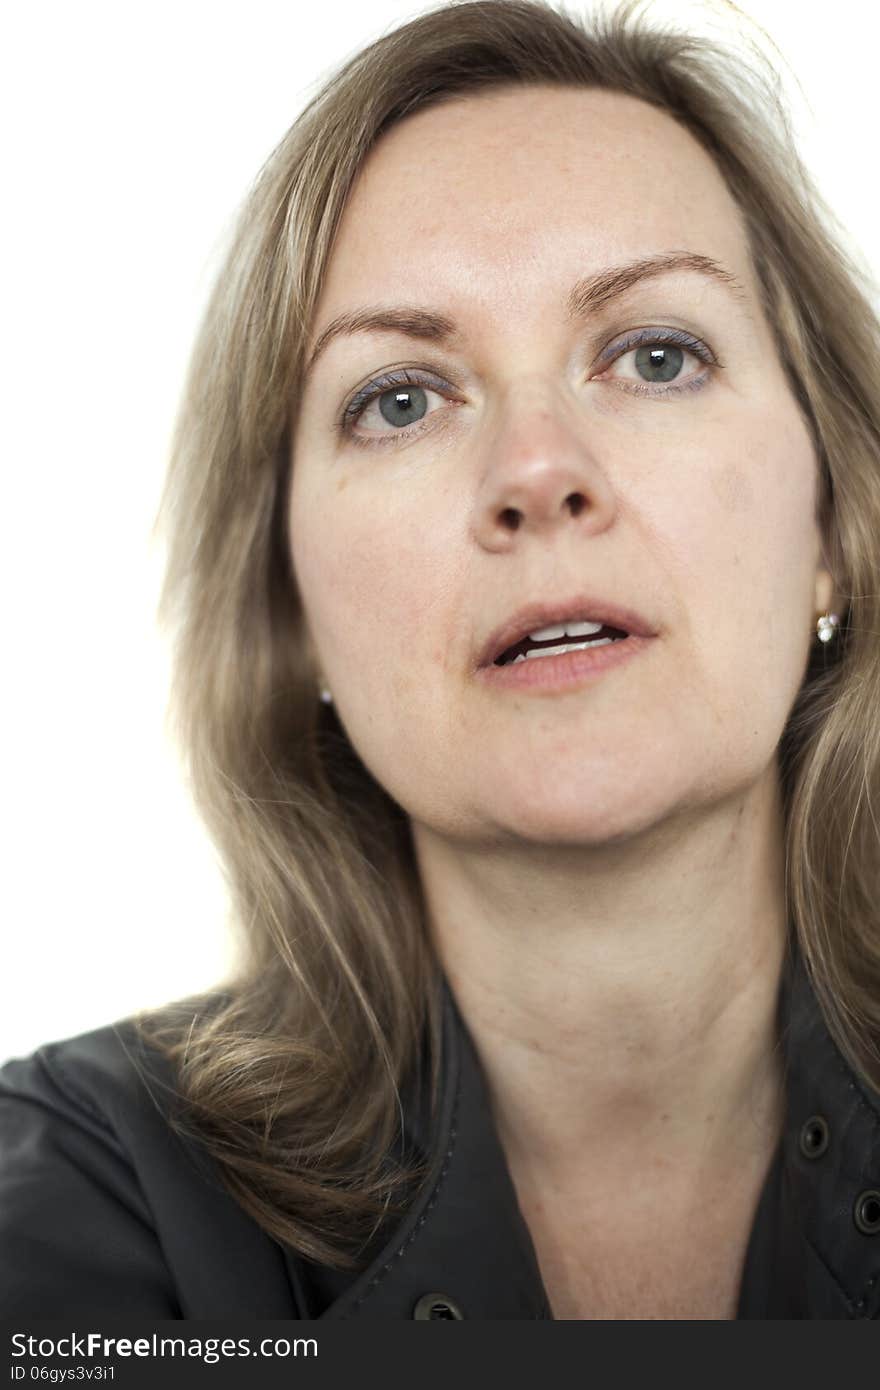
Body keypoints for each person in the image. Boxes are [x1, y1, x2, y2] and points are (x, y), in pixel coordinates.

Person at [2, 0, 879, 1321]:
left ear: (833, 531)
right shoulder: (75, 1193)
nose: (538, 471)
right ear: (290, 609)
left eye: (655, 354)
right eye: (401, 398)